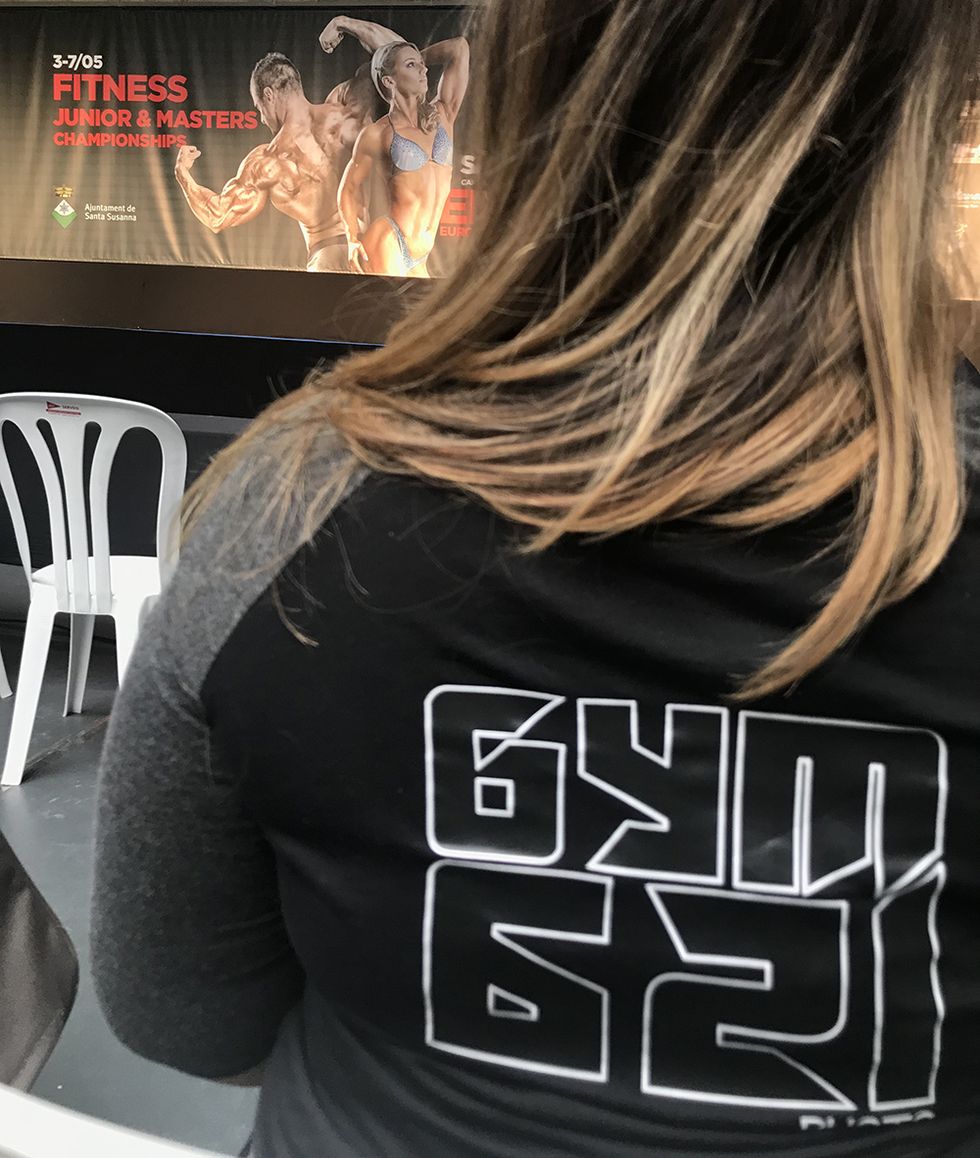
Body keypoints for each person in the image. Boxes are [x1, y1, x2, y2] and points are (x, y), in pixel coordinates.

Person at [93, 3, 980, 1157]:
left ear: (518, 87)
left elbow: (186, 1015)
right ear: (928, 103)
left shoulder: (291, 501)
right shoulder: (294, 494)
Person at [174, 19, 400, 273]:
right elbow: (401, 57)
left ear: (269, 95)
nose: (262, 118)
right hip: (369, 254)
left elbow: (217, 215)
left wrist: (182, 173)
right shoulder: (345, 113)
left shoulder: (269, 160)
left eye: (259, 108)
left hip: (325, 259)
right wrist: (343, 23)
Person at [338, 33, 470, 275]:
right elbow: (349, 188)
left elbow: (459, 47)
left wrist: (417, 58)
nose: (423, 70)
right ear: (389, 81)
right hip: (390, 242)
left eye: (422, 64)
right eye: (411, 65)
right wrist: (352, 238)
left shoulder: (443, 114)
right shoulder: (377, 133)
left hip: (421, 255)